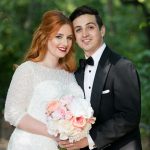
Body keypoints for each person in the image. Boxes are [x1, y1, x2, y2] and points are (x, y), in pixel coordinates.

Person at [59, 5, 142, 150]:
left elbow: (129, 116)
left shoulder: (122, 66)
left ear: (102, 30)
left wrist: (88, 140)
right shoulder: (76, 74)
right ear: (75, 38)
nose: (84, 34)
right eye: (78, 30)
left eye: (90, 27)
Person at [4, 10, 84, 150]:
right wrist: (53, 133)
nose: (65, 43)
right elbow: (12, 113)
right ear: (45, 36)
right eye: (59, 36)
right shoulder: (28, 69)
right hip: (28, 144)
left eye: (69, 38)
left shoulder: (69, 74)